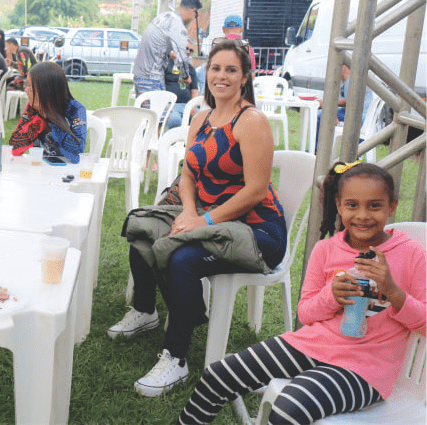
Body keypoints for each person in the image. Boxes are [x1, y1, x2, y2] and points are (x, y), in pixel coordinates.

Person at [177, 161, 425, 424]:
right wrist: (331, 295)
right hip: (312, 344)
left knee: (289, 408)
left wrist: (393, 291)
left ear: (392, 206)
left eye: (375, 206)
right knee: (218, 375)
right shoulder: (326, 250)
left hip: (365, 369)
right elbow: (306, 313)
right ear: (339, 205)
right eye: (352, 205)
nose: (363, 215)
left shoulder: (412, 254)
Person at [109, 39, 287, 397]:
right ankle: (146, 310)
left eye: (231, 70)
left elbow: (255, 190)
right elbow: (188, 175)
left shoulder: (251, 121)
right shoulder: (202, 118)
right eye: (216, 68)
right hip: (209, 216)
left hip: (257, 230)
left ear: (245, 77)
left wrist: (203, 223)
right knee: (143, 229)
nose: (221, 76)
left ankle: (176, 358)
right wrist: (189, 212)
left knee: (184, 259)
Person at [9, 61, 87, 163]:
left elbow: (77, 154)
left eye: (29, 85)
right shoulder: (32, 108)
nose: (26, 89)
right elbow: (14, 147)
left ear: (44, 89)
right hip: (40, 167)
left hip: (67, 169)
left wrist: (49, 115)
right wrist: (39, 119)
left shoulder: (76, 109)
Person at [133, 0, 201, 97]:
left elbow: (155, 43)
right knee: (159, 107)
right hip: (152, 77)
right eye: (196, 15)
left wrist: (169, 54)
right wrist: (186, 77)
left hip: (141, 74)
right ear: (193, 10)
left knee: (146, 107)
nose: (193, 19)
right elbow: (182, 57)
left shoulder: (163, 17)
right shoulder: (178, 25)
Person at [315, 63, 374, 149]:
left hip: (361, 116)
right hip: (347, 113)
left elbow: (352, 100)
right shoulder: (339, 80)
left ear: (345, 65)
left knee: (323, 114)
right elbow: (333, 100)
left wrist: (327, 104)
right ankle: (318, 149)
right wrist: (331, 112)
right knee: (321, 114)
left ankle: (356, 152)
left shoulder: (357, 77)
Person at [165, 38, 199, 129]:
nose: (188, 52)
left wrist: (193, 105)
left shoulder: (191, 69)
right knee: (175, 120)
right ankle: (176, 138)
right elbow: (159, 86)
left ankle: (192, 138)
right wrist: (164, 104)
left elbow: (195, 90)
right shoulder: (166, 64)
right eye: (186, 48)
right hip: (170, 105)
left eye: (191, 50)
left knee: (202, 119)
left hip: (187, 105)